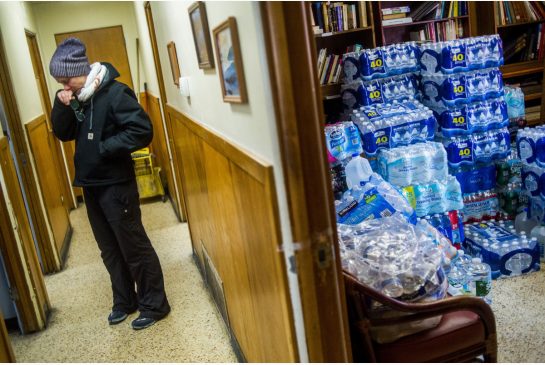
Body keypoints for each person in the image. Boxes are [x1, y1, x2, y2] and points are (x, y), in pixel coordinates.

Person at [49, 37, 170, 330]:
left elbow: (142, 131)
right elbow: (63, 133)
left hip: (116, 184)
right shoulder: (78, 97)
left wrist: (104, 148)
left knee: (133, 245)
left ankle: (154, 305)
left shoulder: (115, 94)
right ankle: (124, 300)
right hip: (91, 185)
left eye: (67, 80)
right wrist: (62, 104)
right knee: (109, 249)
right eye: (59, 82)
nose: (65, 86)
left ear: (82, 71)